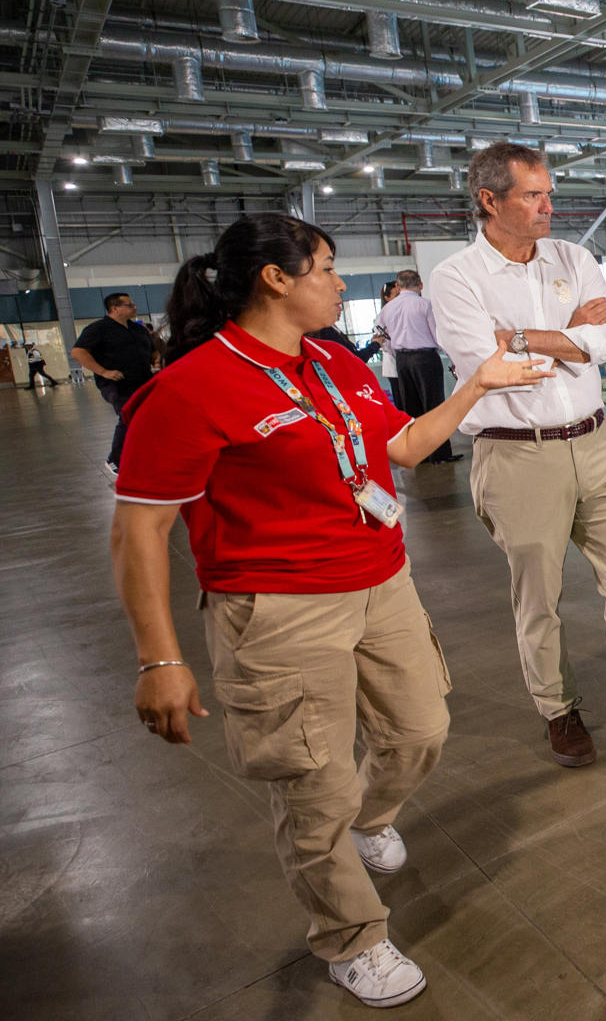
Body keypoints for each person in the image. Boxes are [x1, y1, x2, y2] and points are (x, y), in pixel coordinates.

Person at [108, 213, 548, 1007]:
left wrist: (477, 386)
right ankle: (353, 938)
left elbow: (403, 448)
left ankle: (369, 818)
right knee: (312, 787)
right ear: (276, 279)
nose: (341, 283)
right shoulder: (188, 388)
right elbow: (140, 529)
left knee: (421, 730)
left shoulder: (335, 362)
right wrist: (160, 658)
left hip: (382, 580)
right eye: (326, 268)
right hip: (276, 611)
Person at [430, 142, 606, 768]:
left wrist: (526, 335)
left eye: (548, 193)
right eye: (533, 195)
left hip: (597, 442)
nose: (548, 206)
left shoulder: (573, 256)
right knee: (539, 598)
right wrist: (565, 335)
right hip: (516, 457)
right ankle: (558, 710)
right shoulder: (454, 279)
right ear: (490, 200)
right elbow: (492, 366)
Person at [73, 291, 159, 474]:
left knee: (152, 417)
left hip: (143, 380)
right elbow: (78, 352)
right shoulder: (98, 329)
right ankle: (115, 460)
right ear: (115, 308)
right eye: (129, 305)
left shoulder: (138, 329)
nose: (134, 307)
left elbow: (151, 350)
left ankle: (148, 454)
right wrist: (104, 372)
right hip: (116, 384)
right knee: (129, 414)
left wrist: (156, 360)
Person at [378, 270, 458, 464]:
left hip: (402, 361)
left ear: (398, 286)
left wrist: (394, 352)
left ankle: (418, 454)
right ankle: (439, 454)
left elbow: (382, 335)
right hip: (425, 358)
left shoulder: (388, 308)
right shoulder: (425, 305)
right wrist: (453, 357)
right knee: (434, 406)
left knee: (411, 407)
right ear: (420, 285)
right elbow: (438, 334)